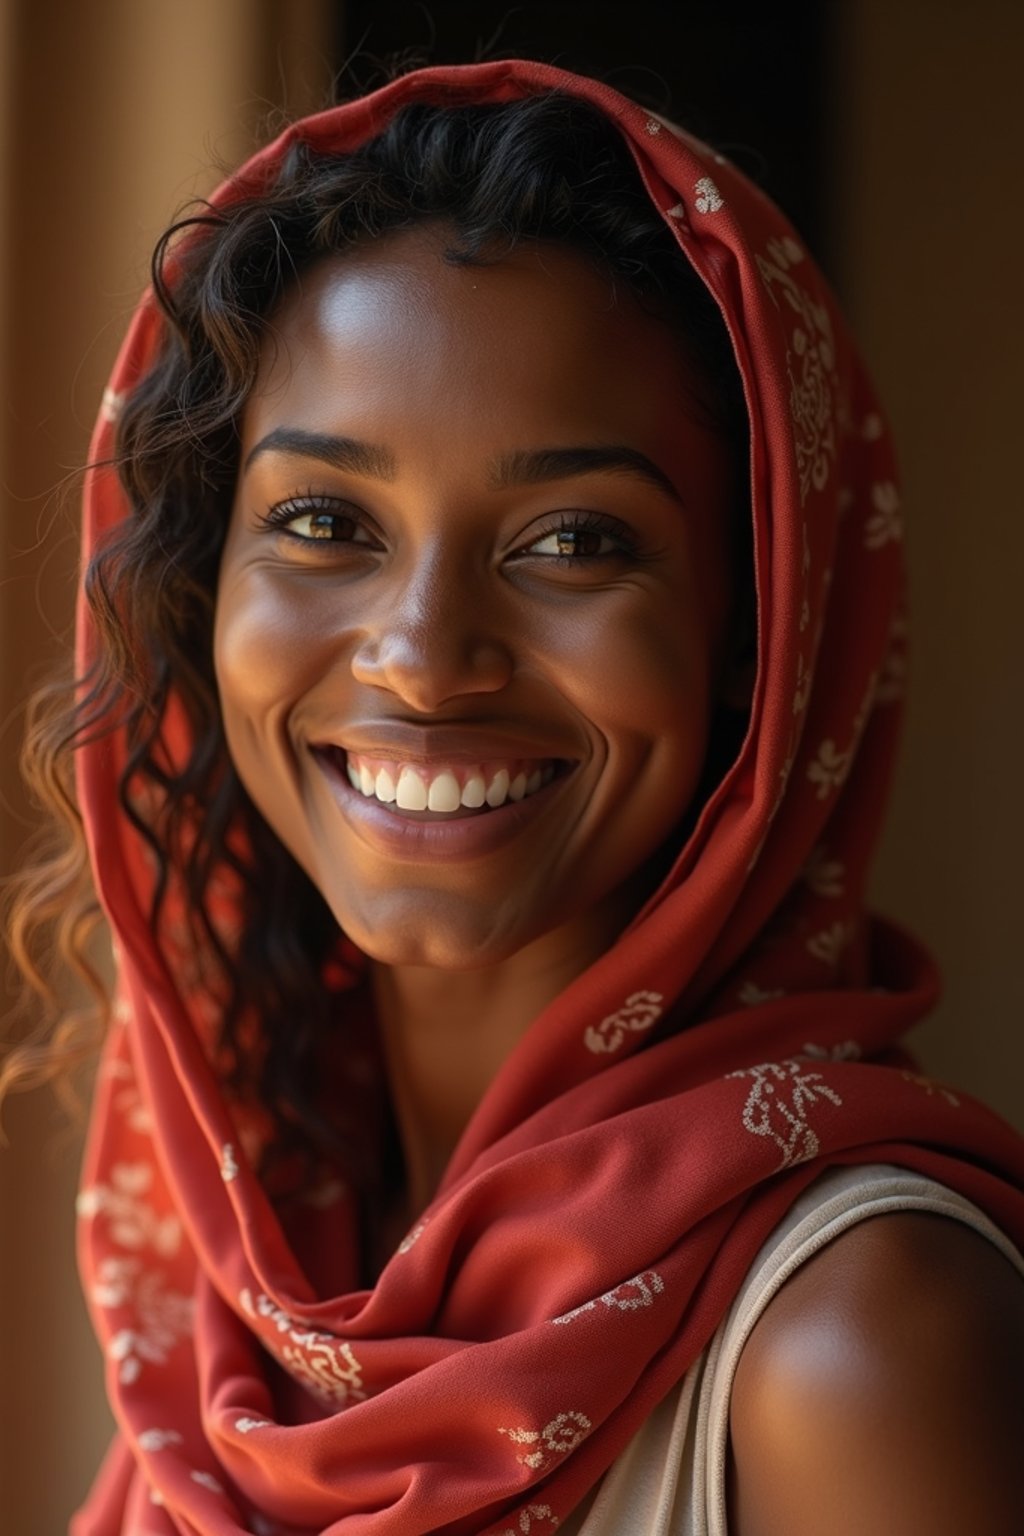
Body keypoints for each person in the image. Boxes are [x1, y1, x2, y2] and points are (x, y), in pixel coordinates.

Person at [5, 57, 1024, 1535]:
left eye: (572, 542)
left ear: (761, 633)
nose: (424, 663)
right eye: (321, 520)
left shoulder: (854, 1346)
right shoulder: (252, 1280)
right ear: (195, 590)